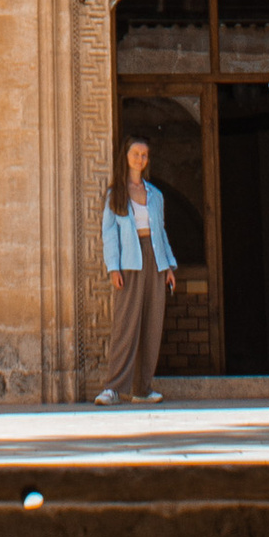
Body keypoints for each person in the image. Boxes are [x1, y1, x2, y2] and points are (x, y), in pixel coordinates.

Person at [96, 133, 177, 404]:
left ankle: (142, 388)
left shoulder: (155, 195)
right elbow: (109, 234)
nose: (140, 159)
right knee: (126, 324)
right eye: (135, 154)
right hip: (129, 262)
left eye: (144, 155)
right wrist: (113, 268)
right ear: (126, 158)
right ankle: (113, 387)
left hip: (155, 260)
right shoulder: (115, 194)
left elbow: (162, 232)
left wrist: (168, 267)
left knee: (152, 323)